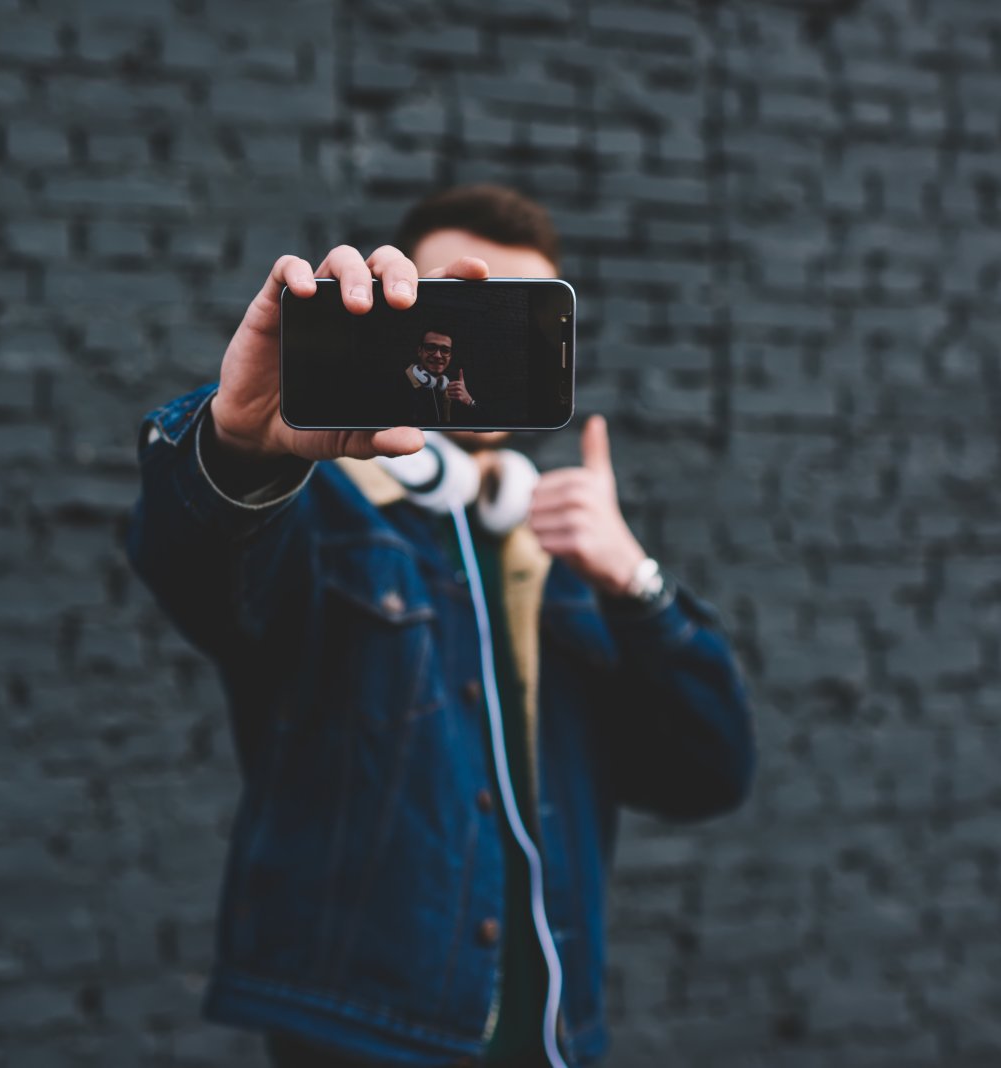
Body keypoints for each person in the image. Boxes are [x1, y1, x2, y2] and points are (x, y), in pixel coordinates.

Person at [126, 184, 755, 1067]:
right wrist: (238, 448)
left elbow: (709, 775)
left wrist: (636, 582)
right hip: (370, 1039)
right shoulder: (321, 513)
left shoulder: (563, 555)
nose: (478, 343)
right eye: (457, 308)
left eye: (517, 317)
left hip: (556, 1040)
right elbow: (196, 573)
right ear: (390, 313)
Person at [404, 327, 478, 425]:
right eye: (431, 348)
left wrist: (469, 401)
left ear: (450, 356)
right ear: (419, 351)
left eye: (445, 350)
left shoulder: (456, 390)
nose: (438, 355)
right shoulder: (395, 385)